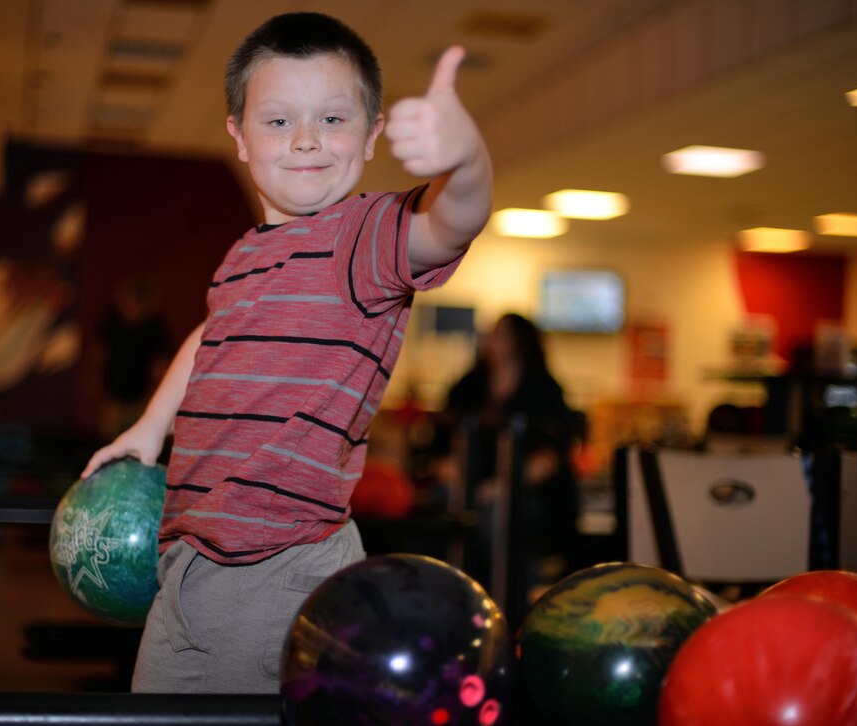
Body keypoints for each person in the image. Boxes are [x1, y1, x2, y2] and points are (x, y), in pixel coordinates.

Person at [81, 12, 492, 694]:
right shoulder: (244, 255)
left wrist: (467, 158)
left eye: (333, 119)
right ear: (239, 138)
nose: (305, 140)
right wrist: (149, 428)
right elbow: (211, 334)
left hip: (276, 567)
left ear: (371, 136)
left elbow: (453, 221)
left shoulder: (361, 240)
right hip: (191, 557)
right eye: (277, 121)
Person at [438, 313, 580, 620]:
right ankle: (449, 607)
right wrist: (456, 473)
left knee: (501, 522)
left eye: (500, 334)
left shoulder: (543, 388)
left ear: (520, 342)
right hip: (469, 491)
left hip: (527, 495)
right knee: (444, 513)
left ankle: (512, 615)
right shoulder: (470, 384)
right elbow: (442, 440)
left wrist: (502, 486)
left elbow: (552, 456)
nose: (491, 340)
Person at [96, 278, 171, 438]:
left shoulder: (155, 327)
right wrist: (95, 383)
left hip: (141, 398)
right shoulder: (113, 320)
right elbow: (99, 352)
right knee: (109, 440)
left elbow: (160, 364)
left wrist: (154, 395)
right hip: (113, 396)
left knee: (137, 439)